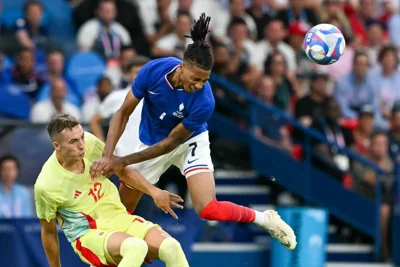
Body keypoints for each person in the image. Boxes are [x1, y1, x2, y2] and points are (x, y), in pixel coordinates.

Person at [90, 13, 297, 250]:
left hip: (188, 140)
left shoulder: (205, 101)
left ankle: (265, 219)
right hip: (150, 140)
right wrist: (108, 156)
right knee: (121, 210)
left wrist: (122, 161)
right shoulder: (153, 71)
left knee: (207, 208)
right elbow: (122, 113)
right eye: (196, 78)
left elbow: (170, 144)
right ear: (182, 66)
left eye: (205, 80)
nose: (199, 85)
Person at [34, 114, 189, 267]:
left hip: (120, 218)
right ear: (56, 145)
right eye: (73, 141)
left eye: (81, 137)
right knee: (135, 247)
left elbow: (121, 168)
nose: (81, 145)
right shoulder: (46, 185)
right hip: (89, 234)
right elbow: (48, 232)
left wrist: (155, 192)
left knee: (171, 248)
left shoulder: (89, 143)